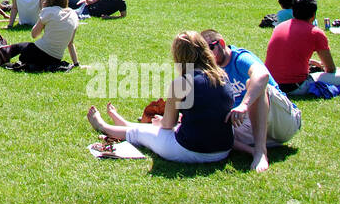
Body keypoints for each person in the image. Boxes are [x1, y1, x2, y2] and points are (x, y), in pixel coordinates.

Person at [85, 31, 233, 164]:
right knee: (157, 129)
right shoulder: (223, 76)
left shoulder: (182, 82)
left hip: (190, 150)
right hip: (223, 150)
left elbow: (168, 124)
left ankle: (103, 126)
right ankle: (123, 123)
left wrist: (162, 122)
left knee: (142, 133)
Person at [201, 30, 301, 172]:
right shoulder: (211, 69)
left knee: (253, 84)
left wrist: (244, 105)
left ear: (221, 44)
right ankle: (252, 150)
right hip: (253, 125)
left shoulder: (240, 58)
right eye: (203, 53)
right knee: (207, 126)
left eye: (211, 48)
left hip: (282, 120)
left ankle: (261, 152)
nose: (208, 56)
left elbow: (262, 75)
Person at [264, 0, 340, 95]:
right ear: (313, 15)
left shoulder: (280, 27)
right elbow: (330, 69)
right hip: (294, 87)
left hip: (271, 84)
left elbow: (283, 55)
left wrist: (309, 62)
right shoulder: (315, 32)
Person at [4, 0, 79, 70]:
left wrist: (42, 13)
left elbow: (34, 34)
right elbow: (70, 43)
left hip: (38, 53)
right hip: (55, 59)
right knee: (27, 49)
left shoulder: (48, 11)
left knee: (20, 47)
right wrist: (76, 64)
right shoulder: (73, 15)